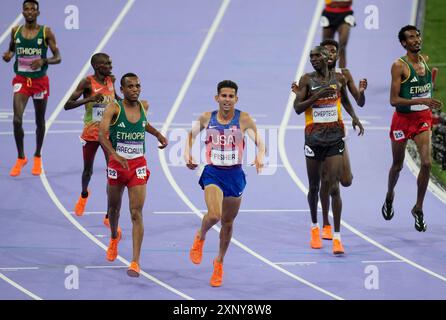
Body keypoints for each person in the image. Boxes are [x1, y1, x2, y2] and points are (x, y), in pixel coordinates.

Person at [185, 80, 265, 287]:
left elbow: (260, 143)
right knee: (214, 215)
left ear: (236, 99)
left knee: (227, 222)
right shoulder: (207, 118)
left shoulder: (243, 119)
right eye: (224, 96)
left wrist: (260, 156)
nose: (227, 100)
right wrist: (187, 153)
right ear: (217, 98)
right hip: (213, 173)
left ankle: (219, 261)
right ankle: (200, 236)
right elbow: (190, 136)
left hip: (235, 175)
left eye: (231, 96)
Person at [291, 46, 364, 255]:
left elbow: (347, 102)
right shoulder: (306, 80)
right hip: (313, 140)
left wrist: (355, 118)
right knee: (314, 186)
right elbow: (297, 108)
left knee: (334, 187)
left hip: (334, 138)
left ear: (326, 58)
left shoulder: (339, 78)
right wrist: (317, 95)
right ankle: (315, 227)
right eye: (310, 57)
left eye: (317, 56)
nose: (313, 60)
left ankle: (337, 238)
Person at [98, 73, 168, 277]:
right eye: (130, 86)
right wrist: (114, 155)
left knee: (136, 213)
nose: (135, 89)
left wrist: (158, 134)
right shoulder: (114, 108)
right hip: (117, 165)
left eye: (138, 85)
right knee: (114, 208)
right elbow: (102, 134)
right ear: (122, 90)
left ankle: (135, 262)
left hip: (137, 165)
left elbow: (143, 124)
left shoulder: (144, 106)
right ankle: (113, 237)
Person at [382, 25, 442, 232]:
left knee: (426, 163)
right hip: (402, 121)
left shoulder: (424, 60)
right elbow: (393, 100)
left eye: (417, 36)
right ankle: (390, 195)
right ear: (403, 43)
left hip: (422, 119)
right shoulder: (399, 66)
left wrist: (429, 98)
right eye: (411, 38)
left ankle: (418, 208)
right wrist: (423, 98)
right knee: (397, 165)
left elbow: (424, 89)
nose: (416, 39)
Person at [2, 0, 61, 176]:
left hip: (39, 82)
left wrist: (44, 60)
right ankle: (21, 157)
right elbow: (12, 49)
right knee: (17, 120)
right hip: (21, 80)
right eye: (26, 9)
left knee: (39, 121)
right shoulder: (15, 31)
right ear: (22, 12)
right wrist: (9, 55)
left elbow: (58, 57)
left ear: (38, 13)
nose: (29, 12)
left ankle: (37, 155)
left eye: (32, 9)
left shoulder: (45, 32)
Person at [318, 39, 367, 240]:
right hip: (319, 137)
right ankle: (326, 224)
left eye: (333, 51)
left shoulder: (343, 75)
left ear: (338, 55)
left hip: (339, 132)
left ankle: (332, 177)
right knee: (332, 185)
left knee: (346, 181)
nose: (330, 54)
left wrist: (356, 113)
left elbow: (354, 100)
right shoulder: (313, 78)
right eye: (326, 51)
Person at [64, 53, 120, 228]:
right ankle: (83, 194)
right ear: (97, 66)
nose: (111, 65)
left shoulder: (111, 81)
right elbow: (67, 105)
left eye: (111, 62)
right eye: (107, 63)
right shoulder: (87, 83)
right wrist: (88, 99)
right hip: (91, 134)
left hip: (108, 134)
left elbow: (116, 99)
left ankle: (108, 213)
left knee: (111, 174)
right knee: (87, 172)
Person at [321, 0, 355, 68]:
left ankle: (341, 73)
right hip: (329, 14)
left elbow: (348, 2)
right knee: (326, 47)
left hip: (345, 15)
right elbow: (329, 2)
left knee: (342, 47)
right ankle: (327, 73)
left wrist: (336, 3)